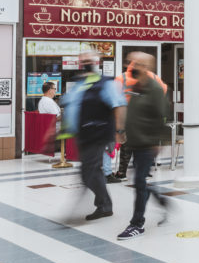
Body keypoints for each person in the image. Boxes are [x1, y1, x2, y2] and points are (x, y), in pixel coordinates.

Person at [60, 51, 126, 221]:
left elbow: (118, 105)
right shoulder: (80, 83)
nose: (86, 63)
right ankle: (104, 204)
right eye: (83, 60)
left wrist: (119, 130)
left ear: (96, 62)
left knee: (90, 170)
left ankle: (104, 205)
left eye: (89, 60)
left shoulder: (105, 83)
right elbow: (74, 106)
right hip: (83, 134)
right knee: (88, 172)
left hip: (98, 132)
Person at [116, 53, 170, 240]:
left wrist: (157, 143)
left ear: (147, 66)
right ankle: (162, 202)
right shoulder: (135, 85)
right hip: (135, 141)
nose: (133, 66)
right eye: (132, 62)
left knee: (139, 181)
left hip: (147, 144)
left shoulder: (154, 88)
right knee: (139, 181)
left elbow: (162, 116)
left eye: (138, 63)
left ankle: (136, 224)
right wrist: (122, 131)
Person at [113, 55, 167, 181]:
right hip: (147, 117)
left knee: (126, 146)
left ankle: (122, 172)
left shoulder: (122, 78)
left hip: (128, 115)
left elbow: (114, 97)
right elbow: (163, 90)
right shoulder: (153, 77)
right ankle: (144, 170)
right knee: (145, 145)